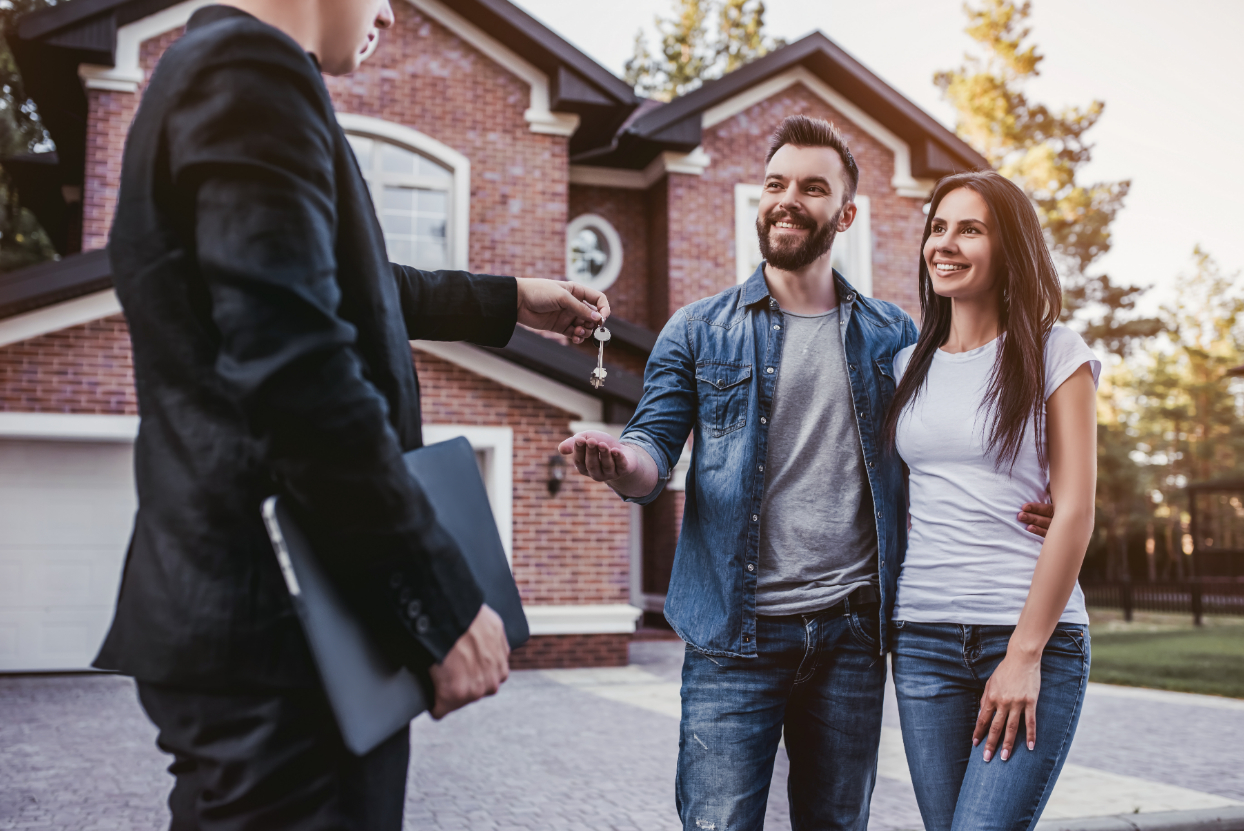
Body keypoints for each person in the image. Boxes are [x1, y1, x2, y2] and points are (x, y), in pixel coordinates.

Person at [92, 1, 609, 828]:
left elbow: (359, 283)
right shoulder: (248, 74)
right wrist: (440, 603)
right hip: (281, 639)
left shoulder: (226, 73)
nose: (392, 16)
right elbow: (300, 373)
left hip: (279, 640)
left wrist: (516, 300)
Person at [559, 116, 1054, 831]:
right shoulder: (698, 329)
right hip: (733, 635)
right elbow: (651, 452)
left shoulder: (896, 336)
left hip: (851, 634)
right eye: (775, 183)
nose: (788, 199)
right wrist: (621, 462)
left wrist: (1039, 496)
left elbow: (954, 448)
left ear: (845, 214)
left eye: (813, 187)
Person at [885, 170, 1099, 831]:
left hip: (1029, 633)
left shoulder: (1053, 351)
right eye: (938, 227)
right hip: (921, 640)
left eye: (970, 229)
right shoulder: (905, 365)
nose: (945, 244)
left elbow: (1076, 508)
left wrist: (1024, 653)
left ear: (1009, 248)